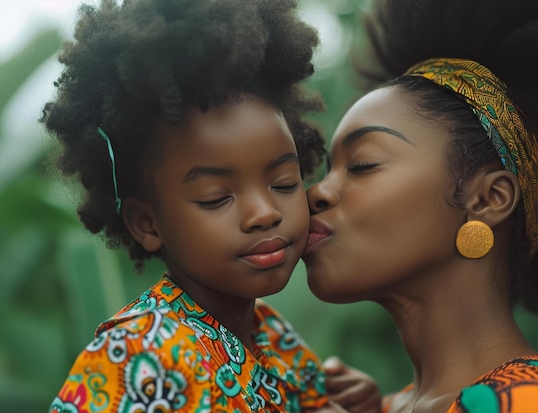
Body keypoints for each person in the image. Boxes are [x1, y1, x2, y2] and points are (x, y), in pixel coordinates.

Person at [40, 0, 381, 411]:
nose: (264, 213)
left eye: (284, 183)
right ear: (146, 223)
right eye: (216, 198)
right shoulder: (134, 357)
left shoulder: (276, 340)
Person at [304, 0, 538, 412]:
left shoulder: (535, 404)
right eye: (327, 169)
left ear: (487, 199)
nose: (315, 192)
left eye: (362, 165)